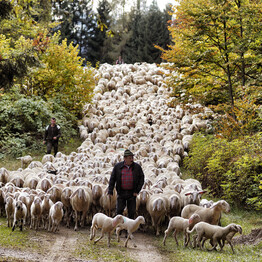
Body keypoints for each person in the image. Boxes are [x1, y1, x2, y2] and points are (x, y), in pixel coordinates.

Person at [108, 149, 144, 219]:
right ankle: (119, 227)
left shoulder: (137, 167)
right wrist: (110, 190)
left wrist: (137, 190)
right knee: (119, 211)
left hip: (132, 193)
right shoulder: (118, 167)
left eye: (132, 158)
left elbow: (141, 179)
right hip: (121, 192)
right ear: (125, 158)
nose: (131, 160)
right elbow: (112, 179)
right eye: (130, 158)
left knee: (131, 211)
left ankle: (130, 228)